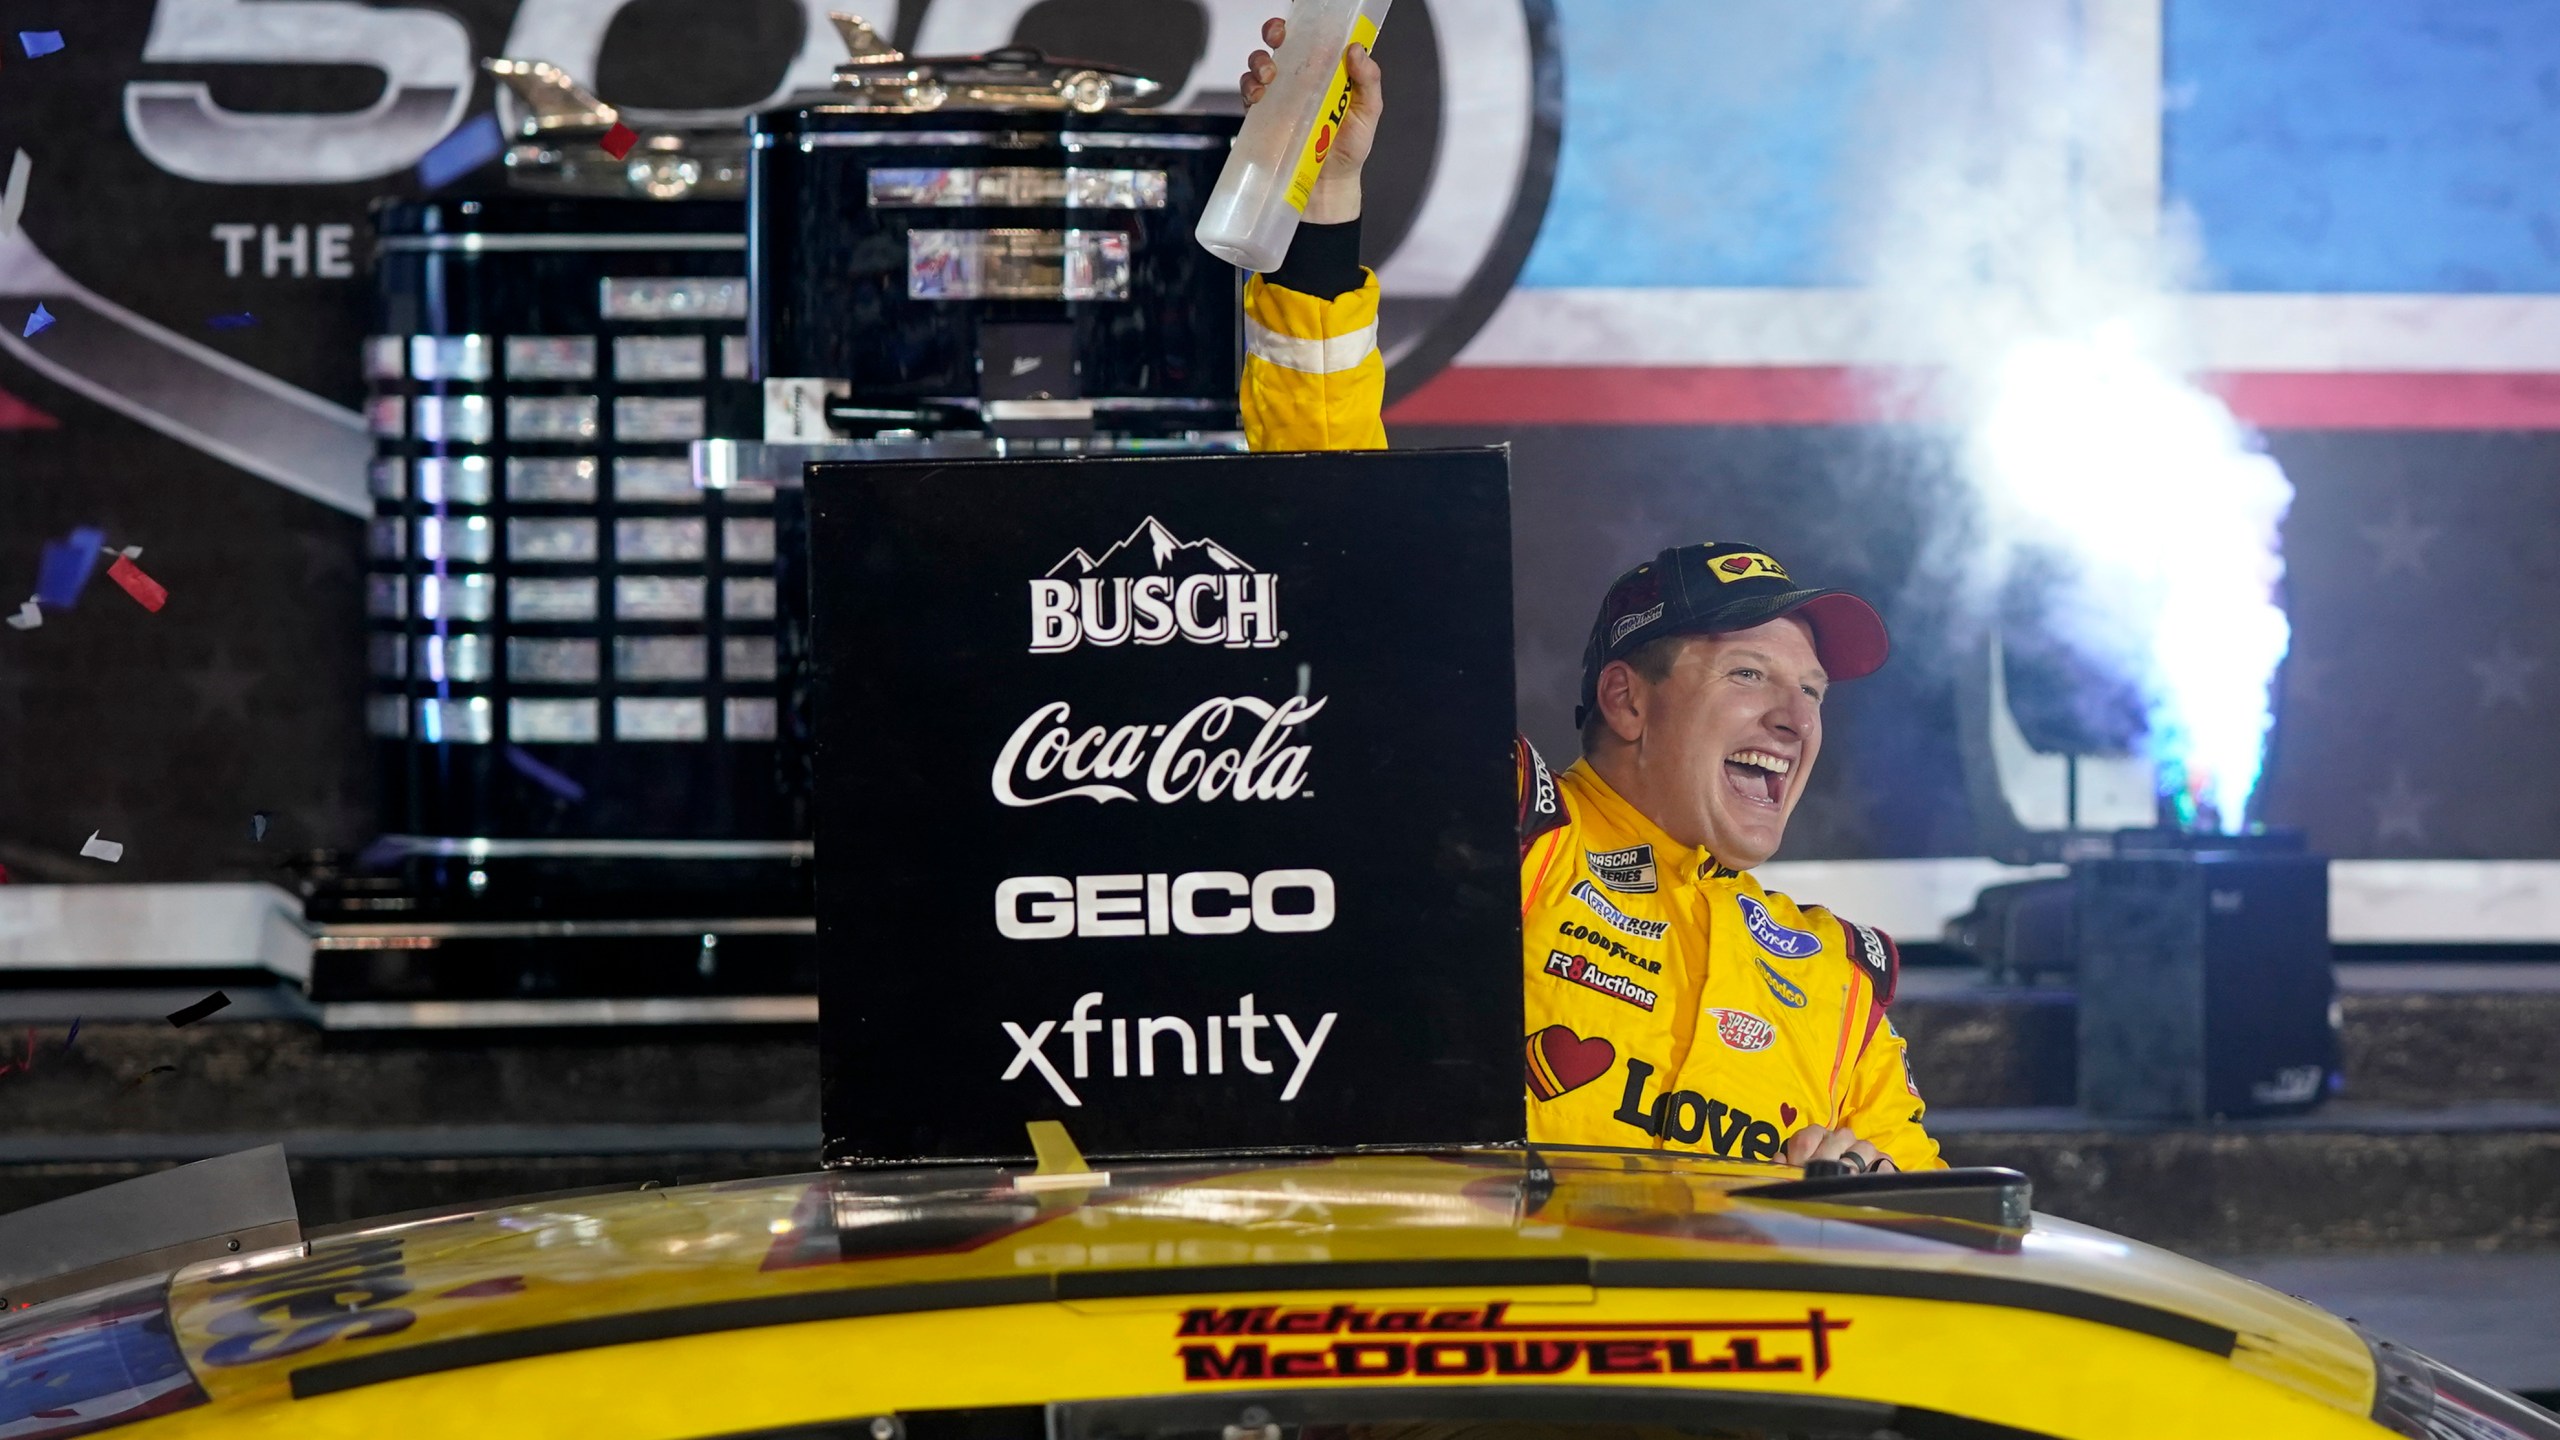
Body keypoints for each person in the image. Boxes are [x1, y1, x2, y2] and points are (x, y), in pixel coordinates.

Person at [1237, 21, 1941, 1173]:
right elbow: (1341, 556)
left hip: (1740, 1350)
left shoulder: (1833, 971)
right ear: (1626, 697)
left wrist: (1862, 1192)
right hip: (1481, 1338)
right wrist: (1322, 226)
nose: (1795, 719)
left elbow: (1947, 1227)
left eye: (1811, 692)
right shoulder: (1499, 836)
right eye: (1751, 675)